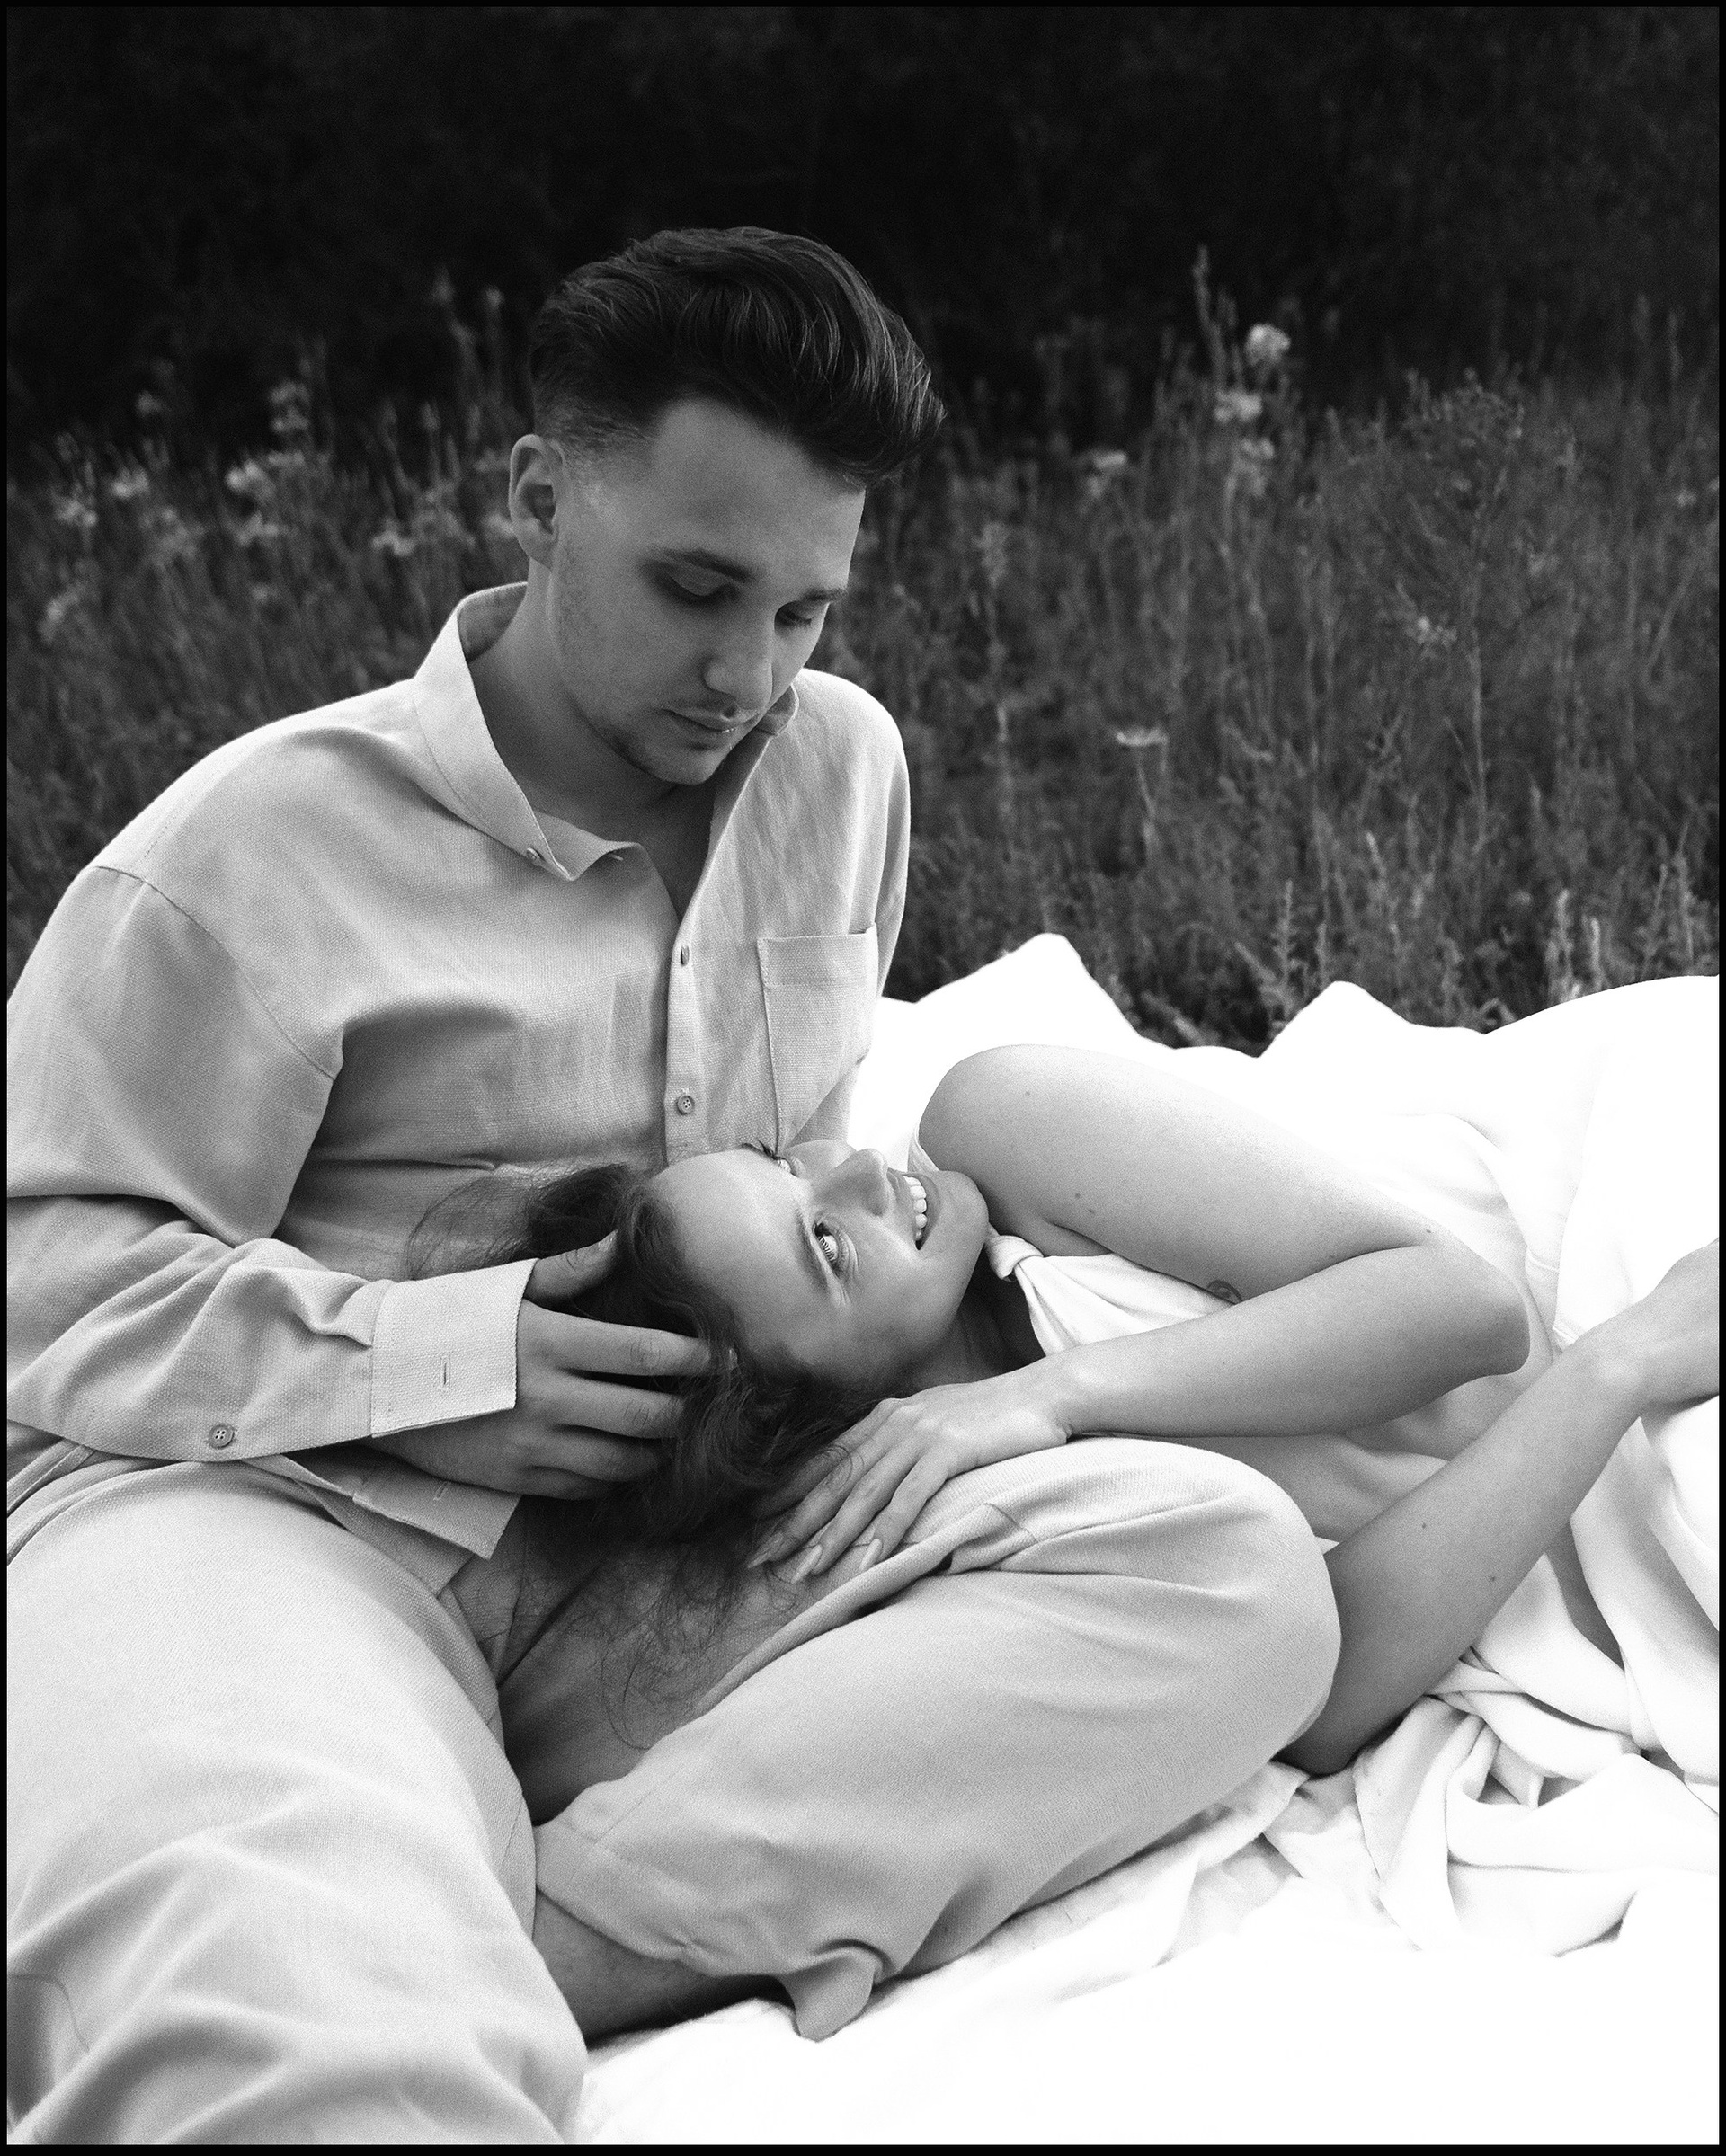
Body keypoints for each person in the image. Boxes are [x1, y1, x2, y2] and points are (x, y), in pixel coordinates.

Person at [8, 229, 1339, 2143]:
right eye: (699, 591)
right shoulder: (250, 852)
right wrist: (430, 1364)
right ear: (541, 497)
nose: (751, 675)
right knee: (286, 1992)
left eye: (806, 611)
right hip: (282, 1515)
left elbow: (800, 1167)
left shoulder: (841, 769)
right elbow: (40, 1261)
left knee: (1228, 1572)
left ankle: (551, 1930)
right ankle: (352, 1924)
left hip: (692, 1554)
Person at [434, 1034, 1717, 1819]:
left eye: (785, 1158)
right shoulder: (930, 1502)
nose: (861, 1171)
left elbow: (1464, 1310)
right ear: (797, 1419)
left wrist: (1049, 1394)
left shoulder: (1001, 1128)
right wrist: (1617, 1374)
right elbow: (1321, 1697)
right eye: (827, 1244)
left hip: (1578, 1252)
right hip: (1585, 1432)